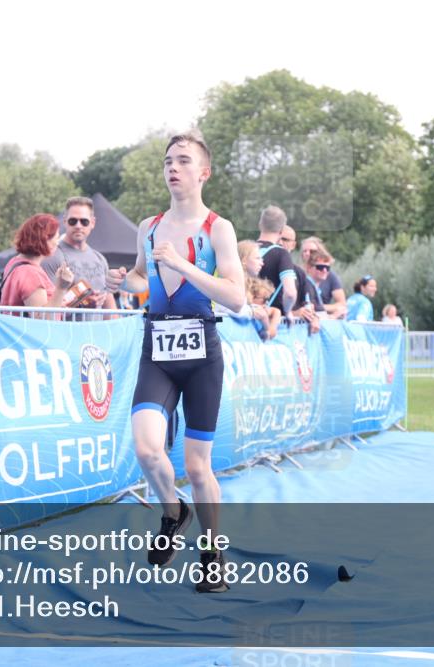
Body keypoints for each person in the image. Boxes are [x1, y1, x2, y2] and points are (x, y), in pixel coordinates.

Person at [105, 131, 244, 593]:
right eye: (168, 160)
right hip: (157, 351)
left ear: (203, 172)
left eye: (183, 160)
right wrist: (123, 282)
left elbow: (237, 298)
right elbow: (143, 281)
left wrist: (185, 267)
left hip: (202, 353)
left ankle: (212, 554)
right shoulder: (148, 226)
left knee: (199, 467)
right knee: (146, 449)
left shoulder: (217, 229)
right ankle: (173, 510)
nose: (173, 167)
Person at [41, 196, 117, 313]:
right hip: (66, 330)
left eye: (84, 221)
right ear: (65, 221)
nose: (78, 225)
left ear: (92, 223)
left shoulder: (100, 259)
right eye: (73, 221)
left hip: (96, 330)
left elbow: (110, 308)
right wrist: (81, 304)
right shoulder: (52, 256)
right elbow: (45, 309)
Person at [0, 214, 74, 319]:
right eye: (56, 238)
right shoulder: (31, 273)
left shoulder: (15, 262)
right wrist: (61, 288)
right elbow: (41, 321)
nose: (58, 243)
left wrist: (58, 302)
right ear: (45, 239)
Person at [255, 206, 297, 318]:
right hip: (268, 321)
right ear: (281, 231)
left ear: (260, 225)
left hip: (240, 318)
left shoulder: (244, 249)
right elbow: (290, 293)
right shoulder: (282, 254)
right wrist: (287, 311)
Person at [301, 236, 346, 319]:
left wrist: (320, 307)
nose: (307, 253)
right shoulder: (297, 273)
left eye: (312, 251)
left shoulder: (329, 275)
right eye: (305, 251)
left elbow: (342, 304)